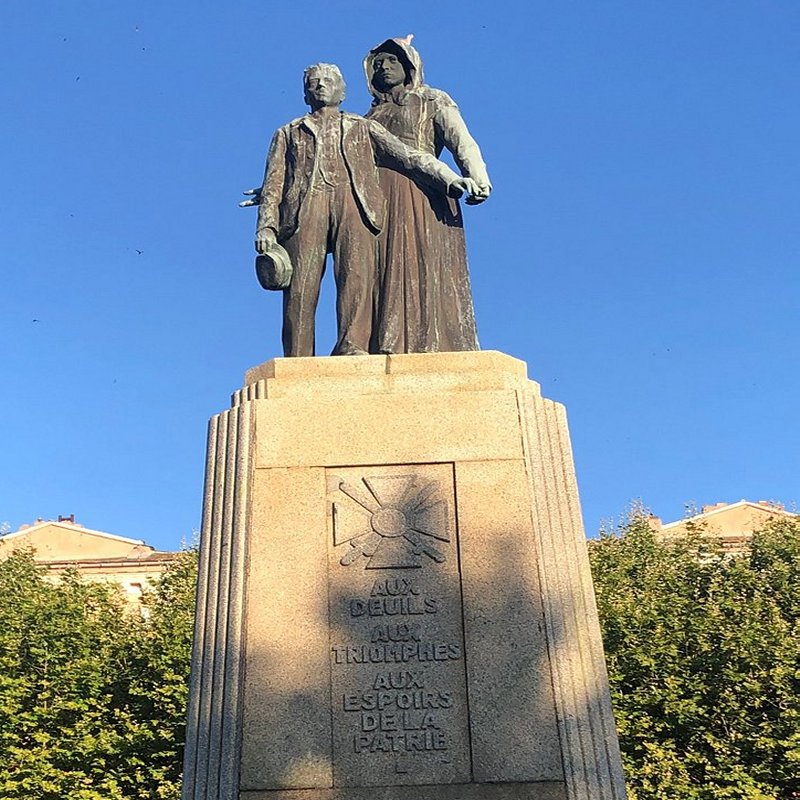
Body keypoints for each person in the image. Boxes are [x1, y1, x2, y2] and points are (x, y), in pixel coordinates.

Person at [250, 63, 479, 357]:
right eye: (313, 82)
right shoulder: (288, 132)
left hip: (355, 206)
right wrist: (266, 227)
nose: (320, 85)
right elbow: (274, 183)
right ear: (306, 95)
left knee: (356, 281)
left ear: (342, 91)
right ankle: (298, 357)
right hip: (305, 210)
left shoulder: (363, 126)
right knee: (300, 291)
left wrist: (448, 178)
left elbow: (408, 156)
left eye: (328, 80)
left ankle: (352, 346)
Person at [364, 37, 492, 354]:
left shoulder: (432, 100)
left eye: (392, 60)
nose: (384, 66)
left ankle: (434, 344)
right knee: (384, 270)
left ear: (409, 65)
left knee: (427, 268)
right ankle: (387, 341)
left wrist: (478, 177)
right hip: (380, 197)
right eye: (378, 62)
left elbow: (462, 141)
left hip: (427, 193)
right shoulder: (368, 119)